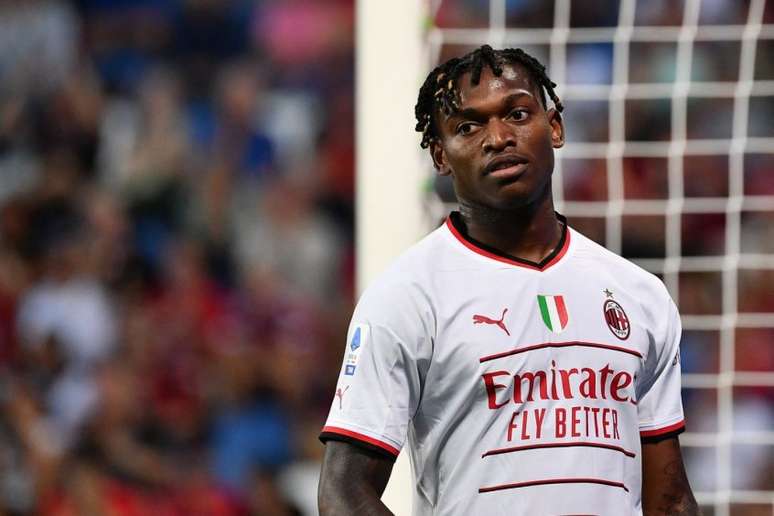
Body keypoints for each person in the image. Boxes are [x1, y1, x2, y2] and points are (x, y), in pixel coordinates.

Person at [317, 45, 699, 515]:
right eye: (468, 127)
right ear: (440, 154)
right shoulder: (407, 296)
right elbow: (343, 493)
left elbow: (672, 499)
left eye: (517, 113)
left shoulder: (639, 294)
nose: (498, 138)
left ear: (554, 126)